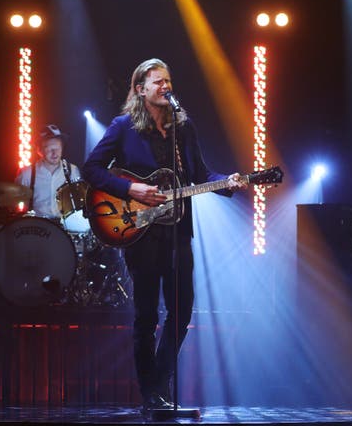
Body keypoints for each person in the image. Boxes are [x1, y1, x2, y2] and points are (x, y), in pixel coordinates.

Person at [82, 58, 247, 409]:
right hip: (139, 232)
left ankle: (160, 382)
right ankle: (150, 393)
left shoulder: (183, 129)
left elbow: (200, 173)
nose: (165, 86)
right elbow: (92, 169)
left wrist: (229, 182)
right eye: (157, 82)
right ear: (140, 89)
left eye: (168, 80)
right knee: (146, 314)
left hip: (177, 232)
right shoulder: (123, 126)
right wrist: (132, 191)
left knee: (182, 311)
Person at [15, 125, 81, 220]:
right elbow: (15, 202)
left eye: (57, 148)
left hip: (65, 227)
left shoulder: (72, 170)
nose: (54, 153)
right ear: (39, 151)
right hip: (36, 227)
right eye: (49, 149)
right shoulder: (27, 174)